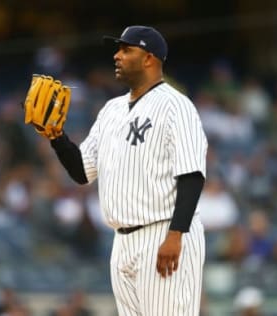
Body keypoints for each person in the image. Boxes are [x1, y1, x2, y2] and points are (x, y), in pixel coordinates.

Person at [48, 26, 208, 315]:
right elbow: (82, 171)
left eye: (126, 49)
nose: (117, 56)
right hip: (122, 241)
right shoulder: (111, 109)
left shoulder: (177, 106)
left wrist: (176, 235)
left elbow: (192, 176)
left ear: (149, 58)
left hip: (162, 233)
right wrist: (56, 137)